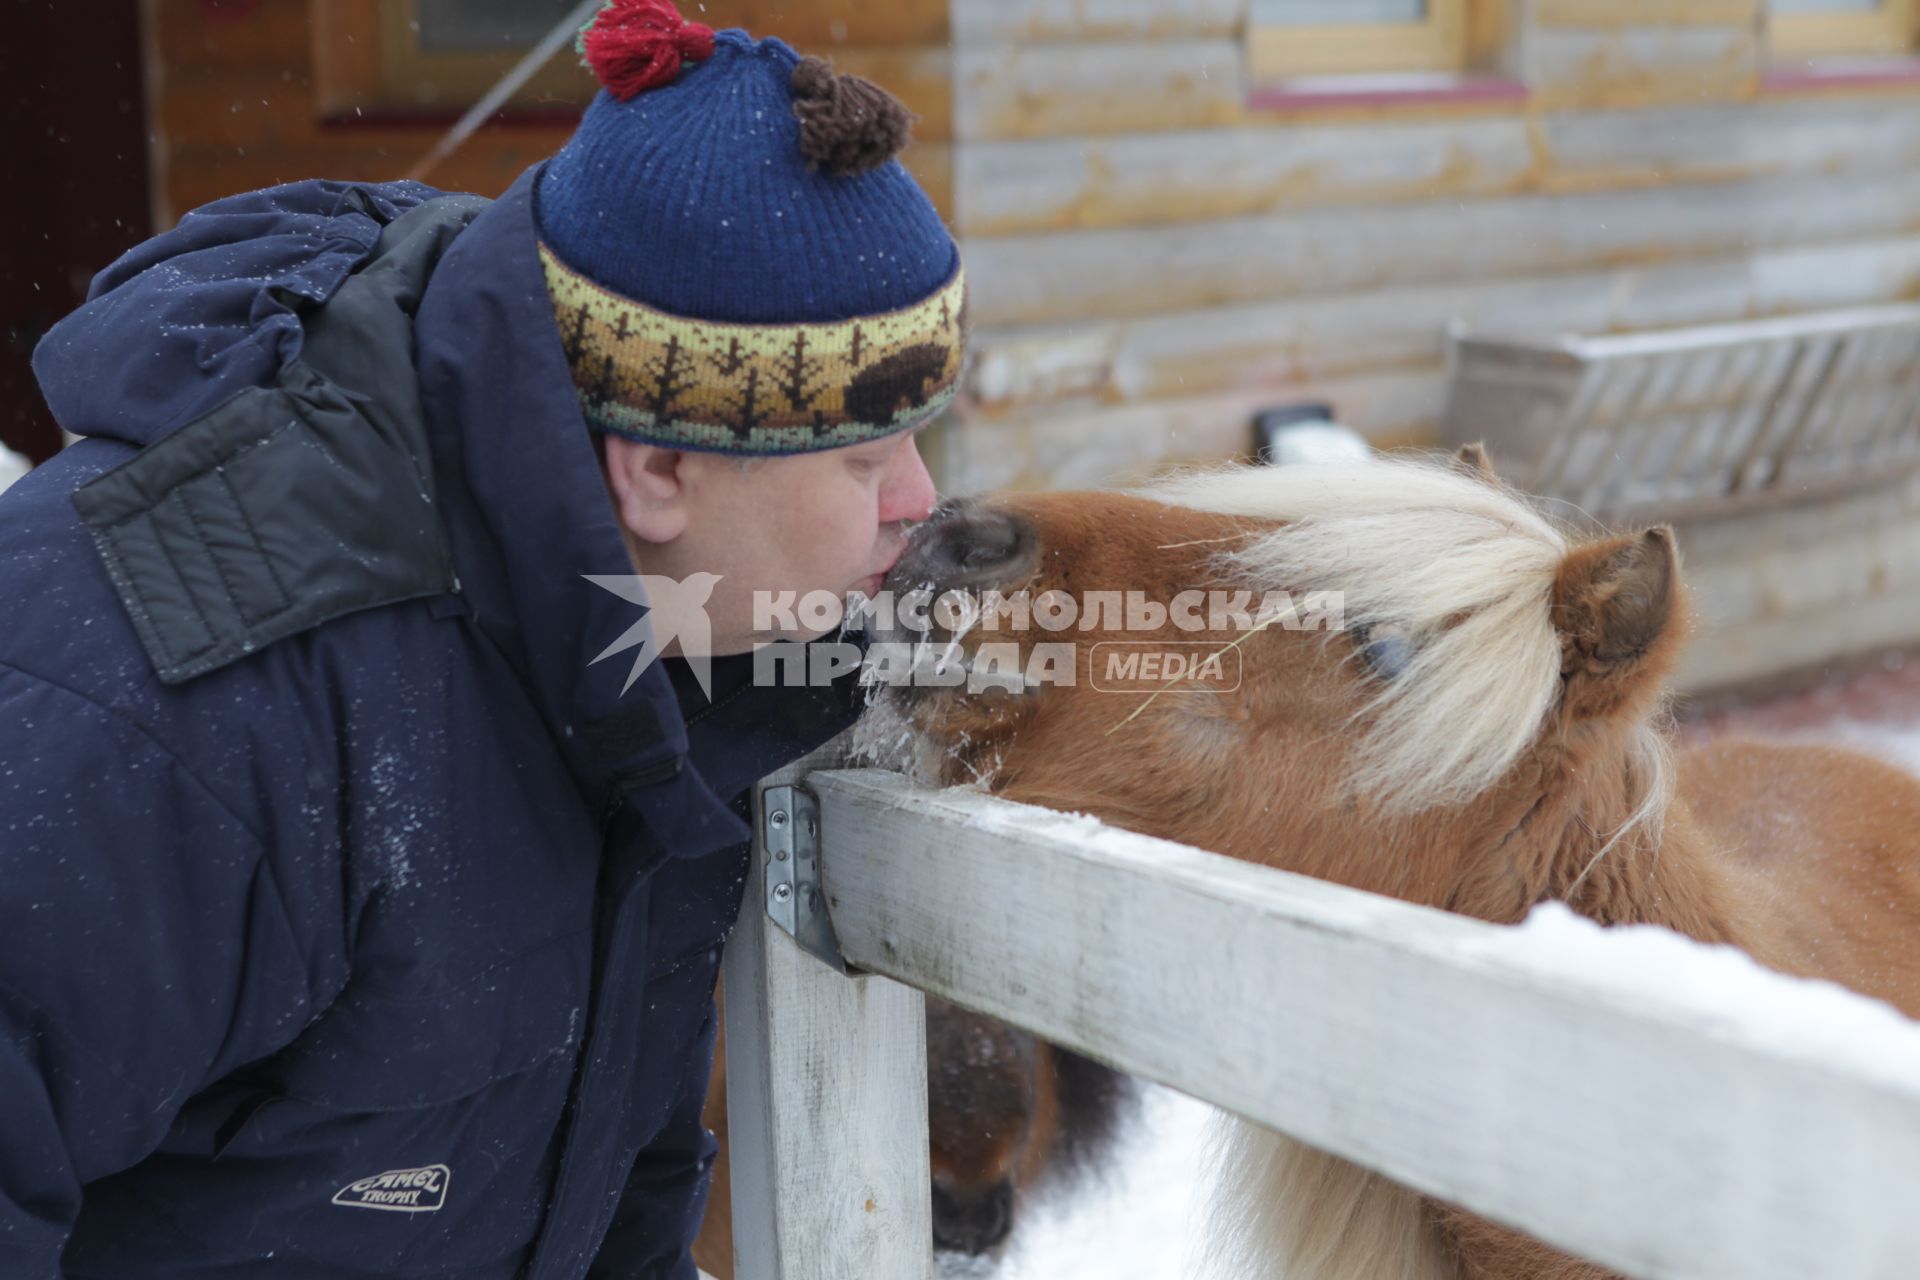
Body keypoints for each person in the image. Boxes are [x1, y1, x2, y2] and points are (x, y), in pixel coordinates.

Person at [1, 0, 960, 1274]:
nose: (923, 501)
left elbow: (619, 1167)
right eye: (863, 451)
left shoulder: (677, 650)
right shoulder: (182, 704)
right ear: (660, 469)